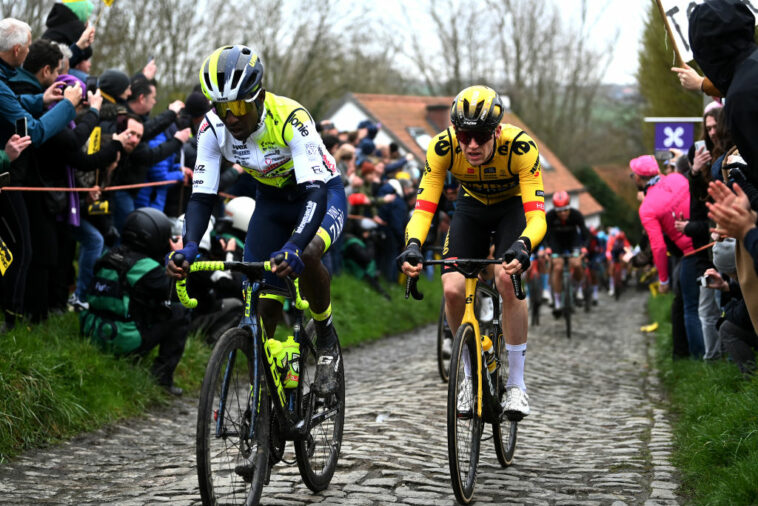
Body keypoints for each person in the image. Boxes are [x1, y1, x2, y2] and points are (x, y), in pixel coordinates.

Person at [166, 45, 347, 396]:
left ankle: (325, 337)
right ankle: (261, 399)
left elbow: (315, 193)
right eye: (220, 107)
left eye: (237, 106)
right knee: (260, 308)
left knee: (308, 254)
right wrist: (190, 247)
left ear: (258, 96)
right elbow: (203, 196)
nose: (229, 117)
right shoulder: (211, 129)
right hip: (272, 203)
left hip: (320, 194)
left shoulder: (292, 118)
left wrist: (294, 246)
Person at [397, 85, 546, 419]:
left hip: (512, 210)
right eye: (465, 136)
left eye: (481, 136)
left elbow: (537, 216)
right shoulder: (442, 146)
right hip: (472, 208)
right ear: (455, 131)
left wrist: (523, 245)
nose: (472, 145)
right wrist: (413, 245)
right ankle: (468, 375)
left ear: (496, 131)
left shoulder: (521, 146)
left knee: (507, 281)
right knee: (451, 288)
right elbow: (423, 209)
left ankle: (518, 385)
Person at [80, 207, 189, 395]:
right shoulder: (147, 269)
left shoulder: (109, 255)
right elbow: (178, 293)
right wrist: (177, 257)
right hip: (121, 340)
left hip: (92, 332)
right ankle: (161, 379)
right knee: (180, 311)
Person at [630, 154, 704, 358]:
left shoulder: (647, 207)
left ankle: (700, 361)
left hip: (690, 252)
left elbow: (659, 247)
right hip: (708, 235)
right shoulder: (677, 178)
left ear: (638, 178)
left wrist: (663, 280)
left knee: (690, 308)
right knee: (707, 304)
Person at [544, 190, 590, 315]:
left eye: (565, 210)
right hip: (556, 242)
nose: (563, 213)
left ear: (569, 207)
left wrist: (585, 247)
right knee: (557, 267)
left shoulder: (576, 215)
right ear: (555, 209)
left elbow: (586, 233)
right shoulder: (549, 216)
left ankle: (578, 288)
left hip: (572, 241)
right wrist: (546, 247)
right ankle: (557, 302)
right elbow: (544, 234)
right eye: (559, 211)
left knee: (577, 264)